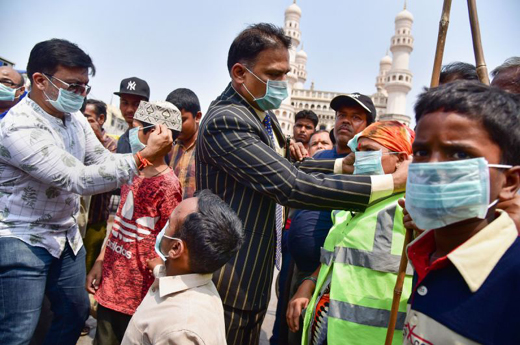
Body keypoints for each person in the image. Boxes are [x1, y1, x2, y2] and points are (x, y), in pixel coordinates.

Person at [196, 23, 409, 344]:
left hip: (252, 272)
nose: (283, 83)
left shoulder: (258, 115)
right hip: (232, 276)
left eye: (286, 74)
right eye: (274, 74)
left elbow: (286, 162)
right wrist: (392, 183)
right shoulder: (229, 119)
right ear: (240, 73)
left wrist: (341, 164)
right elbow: (289, 184)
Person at [0, 38, 172, 344]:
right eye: (73, 87)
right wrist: (143, 156)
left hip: (64, 235)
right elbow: (76, 178)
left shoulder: (75, 119)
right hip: (23, 237)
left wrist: (142, 156)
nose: (80, 95)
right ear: (40, 80)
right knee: (19, 330)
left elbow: (102, 160)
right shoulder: (18, 127)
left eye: (85, 88)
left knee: (75, 311)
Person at [402, 81, 520, 344]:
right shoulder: (425, 253)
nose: (432, 169)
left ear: (510, 183)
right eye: (421, 151)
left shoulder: (512, 276)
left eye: (458, 154)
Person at [287, 121, 414, 345]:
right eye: (359, 150)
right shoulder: (348, 207)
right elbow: (336, 258)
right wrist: (309, 282)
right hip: (328, 330)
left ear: (402, 160)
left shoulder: (410, 209)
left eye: (370, 152)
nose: (360, 158)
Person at [87, 101, 183, 345]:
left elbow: (167, 243)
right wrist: (100, 261)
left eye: (138, 128)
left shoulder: (169, 186)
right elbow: (119, 223)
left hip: (138, 294)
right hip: (110, 284)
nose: (132, 133)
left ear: (156, 133)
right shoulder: (130, 170)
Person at [283, 93, 376, 344]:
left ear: (369, 127)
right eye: (341, 115)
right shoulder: (321, 160)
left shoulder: (367, 170)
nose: (345, 121)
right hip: (298, 267)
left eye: (356, 117)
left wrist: (313, 278)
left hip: (328, 276)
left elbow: (348, 233)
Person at [122, 189, 244, 345]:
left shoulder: (180, 330)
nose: (164, 226)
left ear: (175, 248)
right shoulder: (199, 282)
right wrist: (158, 270)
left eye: (169, 223)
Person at [82, 99, 117, 271]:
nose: (83, 122)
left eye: (87, 117)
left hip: (94, 221)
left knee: (87, 271)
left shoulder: (111, 146)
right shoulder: (76, 141)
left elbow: (107, 177)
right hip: (73, 221)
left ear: (100, 119)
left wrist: (95, 143)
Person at [166, 88, 202, 199]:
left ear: (197, 117)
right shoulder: (168, 147)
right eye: (172, 121)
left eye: (181, 120)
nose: (175, 126)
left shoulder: (209, 145)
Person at [115, 77, 150, 154]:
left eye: (137, 104)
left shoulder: (155, 139)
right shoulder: (122, 141)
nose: (129, 110)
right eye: (125, 103)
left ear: (147, 106)